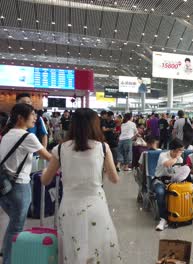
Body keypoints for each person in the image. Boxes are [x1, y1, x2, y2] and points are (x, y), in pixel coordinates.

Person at [41, 108, 121, 264]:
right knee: (98, 245)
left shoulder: (60, 149)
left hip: (70, 206)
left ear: (73, 125)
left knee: (73, 247)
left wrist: (45, 170)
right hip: (96, 205)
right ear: (94, 125)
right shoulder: (103, 147)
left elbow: (45, 180)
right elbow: (114, 179)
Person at [0, 104, 52, 264]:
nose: (35, 118)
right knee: (16, 226)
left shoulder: (7, 134)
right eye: (32, 115)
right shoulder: (27, 136)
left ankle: (8, 256)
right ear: (21, 118)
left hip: (4, 186)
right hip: (19, 186)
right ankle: (8, 260)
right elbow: (47, 157)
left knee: (13, 225)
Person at [153, 139, 185, 231]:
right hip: (159, 181)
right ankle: (163, 219)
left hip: (172, 182)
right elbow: (167, 164)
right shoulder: (163, 155)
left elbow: (177, 172)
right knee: (160, 193)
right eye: (180, 150)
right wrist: (176, 158)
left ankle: (178, 214)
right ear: (174, 149)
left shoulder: (180, 159)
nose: (181, 152)